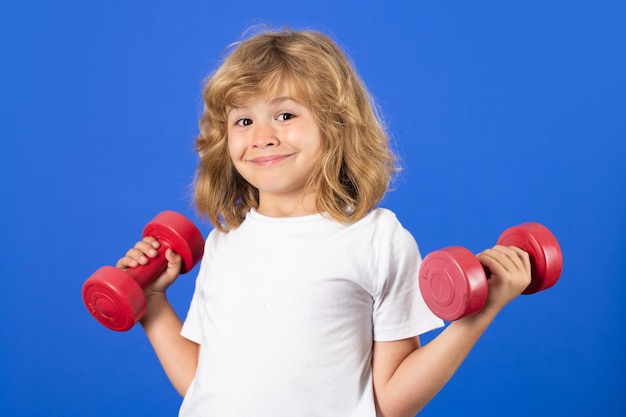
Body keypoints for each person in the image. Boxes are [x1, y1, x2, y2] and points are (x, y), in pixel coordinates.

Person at [116, 28, 531, 417]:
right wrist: (151, 303)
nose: (262, 136)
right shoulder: (225, 243)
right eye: (244, 120)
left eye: (285, 116)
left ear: (335, 126)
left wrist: (480, 312)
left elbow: (390, 401)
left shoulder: (376, 240)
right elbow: (204, 384)